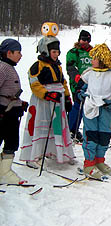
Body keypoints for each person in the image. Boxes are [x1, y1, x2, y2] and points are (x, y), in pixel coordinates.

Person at [20, 36, 75, 166]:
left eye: (58, 52)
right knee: (41, 126)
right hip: (42, 102)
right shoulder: (37, 66)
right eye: (54, 52)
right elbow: (34, 84)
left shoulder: (57, 66)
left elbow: (63, 82)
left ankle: (57, 152)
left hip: (57, 100)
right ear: (45, 51)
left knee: (57, 126)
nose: (56, 55)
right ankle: (33, 156)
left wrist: (67, 97)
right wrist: (47, 94)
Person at [78, 43, 111, 179]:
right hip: (91, 107)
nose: (91, 60)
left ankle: (99, 161)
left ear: (102, 60)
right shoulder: (88, 73)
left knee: (104, 135)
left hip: (105, 108)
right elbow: (80, 87)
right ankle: (89, 163)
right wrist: (80, 93)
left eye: (94, 58)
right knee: (91, 134)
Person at [0, 39, 28, 184]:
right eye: (18, 52)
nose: (21, 55)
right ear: (9, 52)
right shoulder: (3, 68)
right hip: (4, 113)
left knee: (11, 142)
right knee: (9, 141)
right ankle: (4, 173)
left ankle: (4, 170)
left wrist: (19, 103)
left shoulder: (8, 67)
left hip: (11, 112)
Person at [66, 30, 93, 142]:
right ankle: (70, 129)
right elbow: (70, 67)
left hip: (91, 84)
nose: (84, 42)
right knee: (77, 106)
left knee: (85, 108)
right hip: (77, 84)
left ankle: (76, 129)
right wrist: (76, 77)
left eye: (87, 40)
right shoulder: (73, 52)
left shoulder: (93, 52)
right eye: (82, 39)